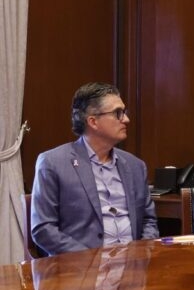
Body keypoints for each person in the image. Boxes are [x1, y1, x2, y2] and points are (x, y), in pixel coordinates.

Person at [31, 82, 159, 256]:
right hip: (79, 266)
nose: (126, 119)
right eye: (118, 113)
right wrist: (90, 260)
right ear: (93, 121)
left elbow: (148, 221)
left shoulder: (135, 166)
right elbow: (43, 229)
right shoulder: (53, 163)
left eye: (124, 112)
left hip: (133, 265)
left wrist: (141, 253)